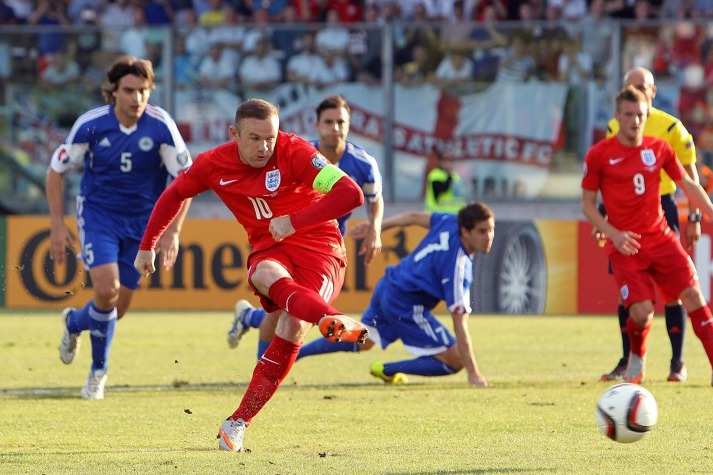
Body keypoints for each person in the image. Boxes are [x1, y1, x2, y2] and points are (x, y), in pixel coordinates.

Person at [133, 98, 369, 452]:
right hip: (270, 247)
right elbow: (175, 194)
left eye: (270, 138)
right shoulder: (213, 163)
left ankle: (237, 421)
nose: (264, 148)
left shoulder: (296, 152)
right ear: (235, 134)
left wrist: (294, 220)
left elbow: (351, 193)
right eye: (255, 139)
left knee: (290, 325)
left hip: (320, 247)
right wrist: (147, 244)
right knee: (263, 274)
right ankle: (330, 319)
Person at [47, 56, 192, 400]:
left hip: (145, 225)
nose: (137, 98)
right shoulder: (92, 125)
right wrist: (56, 223)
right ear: (113, 92)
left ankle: (74, 322)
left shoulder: (161, 126)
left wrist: (172, 231)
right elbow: (56, 170)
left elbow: (186, 179)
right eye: (129, 90)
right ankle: (98, 373)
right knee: (107, 289)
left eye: (143, 91)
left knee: (116, 307)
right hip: (100, 216)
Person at [581, 85, 713, 389]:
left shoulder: (659, 148)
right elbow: (587, 204)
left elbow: (689, 184)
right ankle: (637, 358)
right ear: (617, 117)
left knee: (693, 295)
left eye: (640, 114)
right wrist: (613, 233)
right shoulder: (600, 155)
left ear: (646, 114)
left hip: (661, 237)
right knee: (641, 313)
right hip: (626, 245)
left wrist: (712, 213)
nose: (635, 121)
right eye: (628, 115)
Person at [227, 94, 385, 359]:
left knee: (288, 311)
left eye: (341, 122)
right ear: (317, 125)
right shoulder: (301, 153)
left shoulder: (363, 163)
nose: (335, 128)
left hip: (325, 247)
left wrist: (375, 229)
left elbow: (374, 198)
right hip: (289, 241)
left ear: (349, 125)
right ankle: (264, 364)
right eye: (329, 122)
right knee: (289, 311)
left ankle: (249, 321)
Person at [296, 202, 494, 388]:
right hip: (405, 303)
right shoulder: (458, 267)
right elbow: (460, 324)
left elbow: (414, 217)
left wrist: (377, 227)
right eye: (482, 231)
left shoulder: (450, 221)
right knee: (456, 359)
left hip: (389, 285)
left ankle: (296, 352)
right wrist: (473, 373)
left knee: (363, 339)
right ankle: (389, 369)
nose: (489, 236)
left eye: (491, 230)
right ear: (465, 232)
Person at [599, 66, 703, 383]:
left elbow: (690, 175)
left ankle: (677, 362)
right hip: (623, 216)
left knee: (673, 291)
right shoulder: (614, 127)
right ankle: (626, 360)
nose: (637, 90)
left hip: (662, 210)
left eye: (642, 86)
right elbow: (607, 177)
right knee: (627, 295)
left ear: (654, 92)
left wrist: (695, 217)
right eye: (631, 86)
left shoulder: (671, 127)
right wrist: (602, 219)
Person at [425, 146, 467, 212]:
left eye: (451, 159)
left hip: (455, 216)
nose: (448, 162)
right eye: (446, 159)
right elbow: (441, 190)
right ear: (440, 161)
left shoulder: (456, 176)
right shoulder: (435, 174)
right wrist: (449, 175)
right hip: (438, 216)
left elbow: (460, 198)